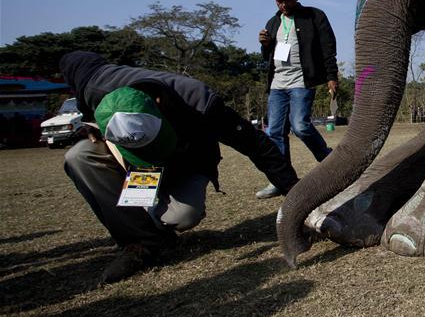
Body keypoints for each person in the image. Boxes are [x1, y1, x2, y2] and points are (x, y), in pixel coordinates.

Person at [59, 51, 298, 283]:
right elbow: (77, 63)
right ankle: (141, 244)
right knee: (79, 156)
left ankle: (153, 225)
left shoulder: (198, 102)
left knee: (183, 216)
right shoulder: (95, 90)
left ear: (160, 106)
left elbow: (256, 144)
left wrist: (299, 196)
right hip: (142, 166)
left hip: (187, 160)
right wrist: (91, 123)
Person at [256, 0, 339, 199]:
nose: (283, 3)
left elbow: (328, 47)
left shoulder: (314, 16)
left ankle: (329, 161)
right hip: (277, 84)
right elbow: (268, 56)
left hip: (302, 81)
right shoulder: (273, 23)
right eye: (278, 0)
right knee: (274, 132)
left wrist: (332, 76)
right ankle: (281, 181)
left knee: (300, 125)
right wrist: (264, 45)